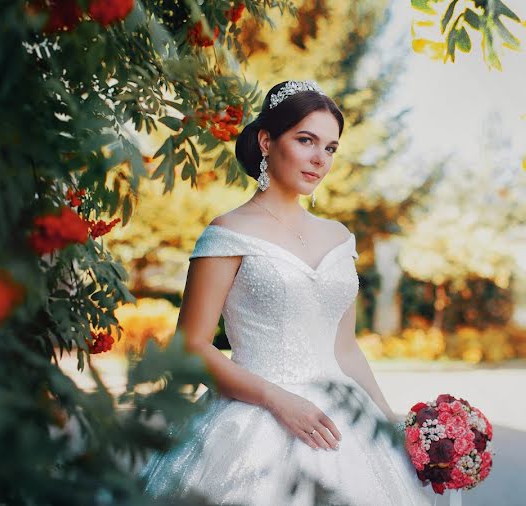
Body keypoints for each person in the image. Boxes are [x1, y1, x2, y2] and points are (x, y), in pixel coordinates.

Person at [141, 80, 432, 506]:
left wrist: (386, 420)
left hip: (342, 424)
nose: (320, 159)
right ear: (265, 140)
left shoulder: (338, 237)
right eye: (306, 140)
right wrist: (277, 400)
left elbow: (345, 347)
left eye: (331, 148)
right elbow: (190, 346)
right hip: (252, 419)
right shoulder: (227, 233)